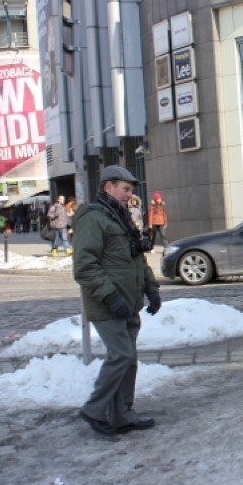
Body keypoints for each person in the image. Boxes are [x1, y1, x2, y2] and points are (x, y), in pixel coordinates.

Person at [73, 165, 161, 437]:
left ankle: (122, 415)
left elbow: (137, 259)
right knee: (121, 355)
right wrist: (111, 297)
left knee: (129, 359)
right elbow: (84, 267)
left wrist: (152, 289)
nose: (129, 195)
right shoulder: (94, 219)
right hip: (108, 304)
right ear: (108, 187)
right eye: (125, 189)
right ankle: (94, 410)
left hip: (128, 301)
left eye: (131, 190)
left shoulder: (119, 217)